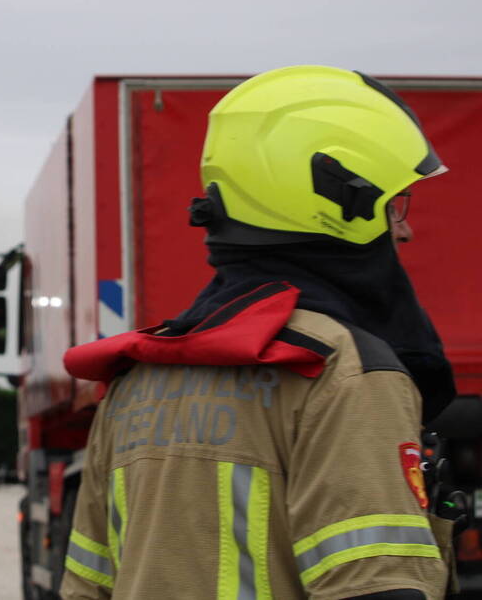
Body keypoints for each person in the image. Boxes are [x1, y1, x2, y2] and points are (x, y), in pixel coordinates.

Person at [60, 66, 457, 599]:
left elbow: (87, 587)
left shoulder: (137, 379)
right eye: (394, 205)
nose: (404, 229)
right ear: (343, 203)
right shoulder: (344, 374)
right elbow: (379, 590)